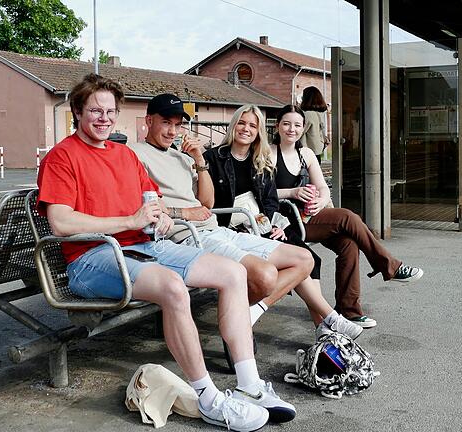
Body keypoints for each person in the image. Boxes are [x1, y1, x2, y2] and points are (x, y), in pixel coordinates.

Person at [37, 74, 295, 430]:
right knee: (173, 287)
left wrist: (157, 216)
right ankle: (208, 398)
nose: (104, 118)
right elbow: (61, 223)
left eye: (110, 111)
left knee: (232, 272)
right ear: (78, 112)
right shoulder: (62, 156)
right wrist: (130, 218)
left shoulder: (123, 154)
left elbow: (151, 199)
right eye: (95, 110)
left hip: (143, 245)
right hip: (91, 258)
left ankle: (249, 385)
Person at [130, 95, 359, 340]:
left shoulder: (189, 157)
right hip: (203, 231)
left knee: (305, 259)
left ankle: (255, 312)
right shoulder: (135, 154)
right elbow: (145, 203)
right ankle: (323, 321)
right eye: (166, 123)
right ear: (148, 121)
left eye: (177, 125)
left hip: (227, 227)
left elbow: (209, 203)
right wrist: (184, 212)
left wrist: (198, 161)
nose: (172, 131)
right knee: (267, 273)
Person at [204, 105, 367, 338]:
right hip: (230, 228)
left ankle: (323, 327)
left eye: (252, 125)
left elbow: (269, 201)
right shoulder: (214, 157)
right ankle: (329, 322)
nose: (246, 129)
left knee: (310, 259)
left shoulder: (260, 159)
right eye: (242, 123)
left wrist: (273, 224)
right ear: (233, 125)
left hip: (261, 225)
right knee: (298, 260)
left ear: (259, 130)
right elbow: (208, 204)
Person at [270, 105, 424, 327]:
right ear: (277, 126)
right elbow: (262, 192)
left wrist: (320, 202)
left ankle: (349, 311)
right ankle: (389, 266)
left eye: (297, 125)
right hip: (287, 223)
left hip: (310, 216)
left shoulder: (306, 155)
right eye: (286, 124)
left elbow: (323, 188)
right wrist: (292, 192)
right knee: (347, 217)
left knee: (348, 243)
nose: (291, 129)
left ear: (303, 128)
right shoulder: (268, 154)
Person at [299, 86, 329, 163]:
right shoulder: (320, 113)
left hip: (307, 151)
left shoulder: (308, 114)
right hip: (317, 150)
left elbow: (299, 131)